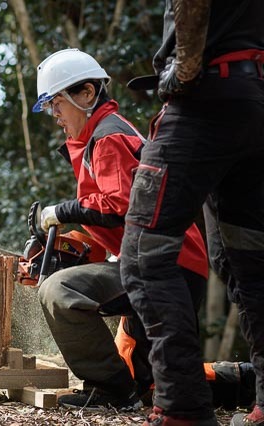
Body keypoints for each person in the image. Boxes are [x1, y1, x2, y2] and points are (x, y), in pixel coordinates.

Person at [31, 48, 210, 412]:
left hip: (164, 266)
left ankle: (110, 392)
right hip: (163, 262)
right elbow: (126, 218)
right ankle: (242, 378)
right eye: (49, 109)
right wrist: (82, 248)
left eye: (56, 105)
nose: (55, 117)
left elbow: (119, 204)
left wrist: (59, 212)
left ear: (86, 94)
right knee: (151, 385)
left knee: (58, 291)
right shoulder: (103, 136)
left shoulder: (109, 137)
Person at [119, 0, 264, 424]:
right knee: (249, 265)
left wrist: (183, 75)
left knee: (145, 258)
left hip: (205, 99)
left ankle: (182, 407)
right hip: (252, 103)